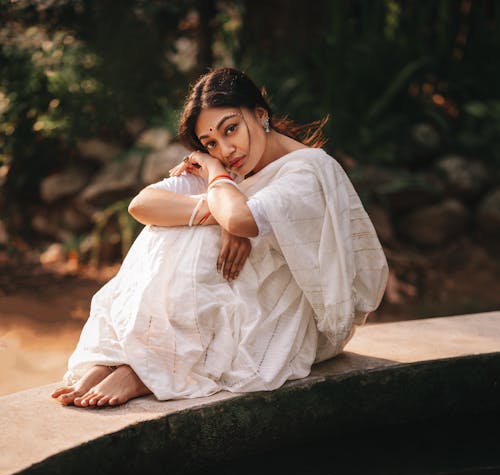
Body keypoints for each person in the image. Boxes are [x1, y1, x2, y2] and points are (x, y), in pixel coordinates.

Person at [51, 67, 388, 408]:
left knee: (194, 236)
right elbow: (142, 205)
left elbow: (240, 217)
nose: (226, 149)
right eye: (210, 143)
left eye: (231, 129)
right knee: (171, 228)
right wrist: (220, 212)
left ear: (260, 114)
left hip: (292, 319)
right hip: (248, 302)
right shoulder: (237, 170)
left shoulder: (306, 170)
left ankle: (147, 370)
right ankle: (126, 359)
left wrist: (214, 176)